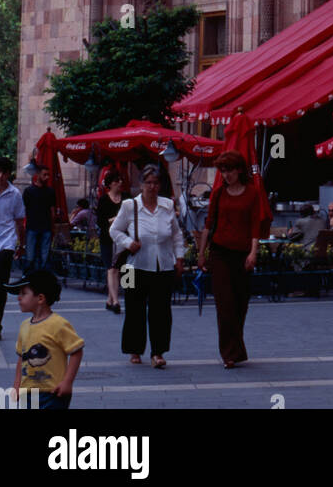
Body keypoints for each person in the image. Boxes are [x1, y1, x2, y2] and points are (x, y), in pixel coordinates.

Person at [110, 164, 184, 368]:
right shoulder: (129, 206)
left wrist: (179, 257)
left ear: (160, 185)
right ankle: (134, 350)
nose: (152, 187)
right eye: (148, 182)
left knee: (161, 311)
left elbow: (176, 235)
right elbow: (114, 231)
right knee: (134, 308)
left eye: (155, 183)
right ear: (141, 184)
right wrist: (128, 243)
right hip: (132, 266)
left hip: (163, 265)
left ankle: (158, 352)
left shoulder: (167, 205)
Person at [197, 151, 260, 369]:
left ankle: (236, 348)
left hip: (242, 254)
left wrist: (253, 252)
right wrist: (201, 252)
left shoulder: (252, 193)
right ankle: (229, 354)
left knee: (240, 304)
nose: (226, 175)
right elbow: (208, 224)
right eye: (223, 171)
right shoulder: (218, 194)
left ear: (239, 170)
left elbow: (255, 226)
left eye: (229, 170)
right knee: (225, 305)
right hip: (220, 253)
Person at [12, 269, 84, 410]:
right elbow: (21, 358)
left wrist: (67, 382)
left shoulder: (58, 324)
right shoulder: (24, 326)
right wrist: (17, 384)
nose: (19, 298)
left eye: (23, 294)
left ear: (40, 298)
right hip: (28, 393)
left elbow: (76, 351)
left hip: (53, 392)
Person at [0, 157, 25, 342]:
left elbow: (19, 221)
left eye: (3, 173)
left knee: (0, 287)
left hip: (6, 243)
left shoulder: (15, 194)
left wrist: (21, 244)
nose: (0, 176)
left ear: (8, 174)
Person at [97, 171, 128, 314]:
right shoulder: (103, 200)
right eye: (116, 181)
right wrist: (115, 219)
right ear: (110, 184)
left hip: (125, 238)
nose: (120, 183)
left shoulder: (127, 199)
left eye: (120, 180)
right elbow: (100, 222)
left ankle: (114, 299)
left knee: (127, 268)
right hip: (108, 238)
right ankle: (116, 301)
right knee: (112, 268)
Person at [22, 163, 57, 272]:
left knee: (44, 256)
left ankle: (41, 277)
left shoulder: (51, 191)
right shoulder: (29, 191)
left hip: (45, 227)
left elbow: (52, 210)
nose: (47, 177)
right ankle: (28, 277)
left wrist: (53, 225)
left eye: (48, 175)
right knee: (30, 255)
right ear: (38, 175)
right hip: (32, 226)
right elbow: (24, 209)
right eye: (44, 175)